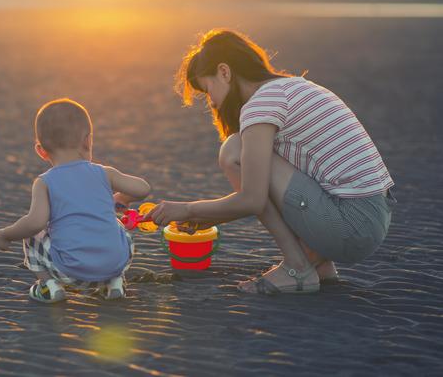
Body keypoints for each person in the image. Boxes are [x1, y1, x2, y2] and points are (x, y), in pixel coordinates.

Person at [142, 29, 396, 295]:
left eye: (208, 90)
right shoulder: (293, 87)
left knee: (234, 151)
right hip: (372, 216)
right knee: (253, 155)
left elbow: (252, 199)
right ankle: (316, 262)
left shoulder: (262, 104)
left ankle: (297, 268)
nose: (213, 102)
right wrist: (207, 216)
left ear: (225, 72)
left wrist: (188, 210)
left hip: (350, 226)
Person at [0, 98, 150, 303]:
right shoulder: (105, 173)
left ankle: (49, 286)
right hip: (114, 264)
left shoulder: (44, 182)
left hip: (69, 272)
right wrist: (123, 197)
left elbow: (35, 223)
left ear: (41, 150)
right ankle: (114, 282)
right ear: (88, 141)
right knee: (116, 226)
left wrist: (4, 234)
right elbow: (143, 189)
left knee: (31, 233)